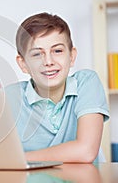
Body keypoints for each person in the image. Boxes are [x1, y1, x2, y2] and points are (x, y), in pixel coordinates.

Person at [6, 12, 109, 163]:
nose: (48, 61)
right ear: (23, 64)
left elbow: (86, 151)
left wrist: (21, 159)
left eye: (57, 51)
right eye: (36, 54)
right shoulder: (10, 97)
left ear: (72, 56)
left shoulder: (86, 82)